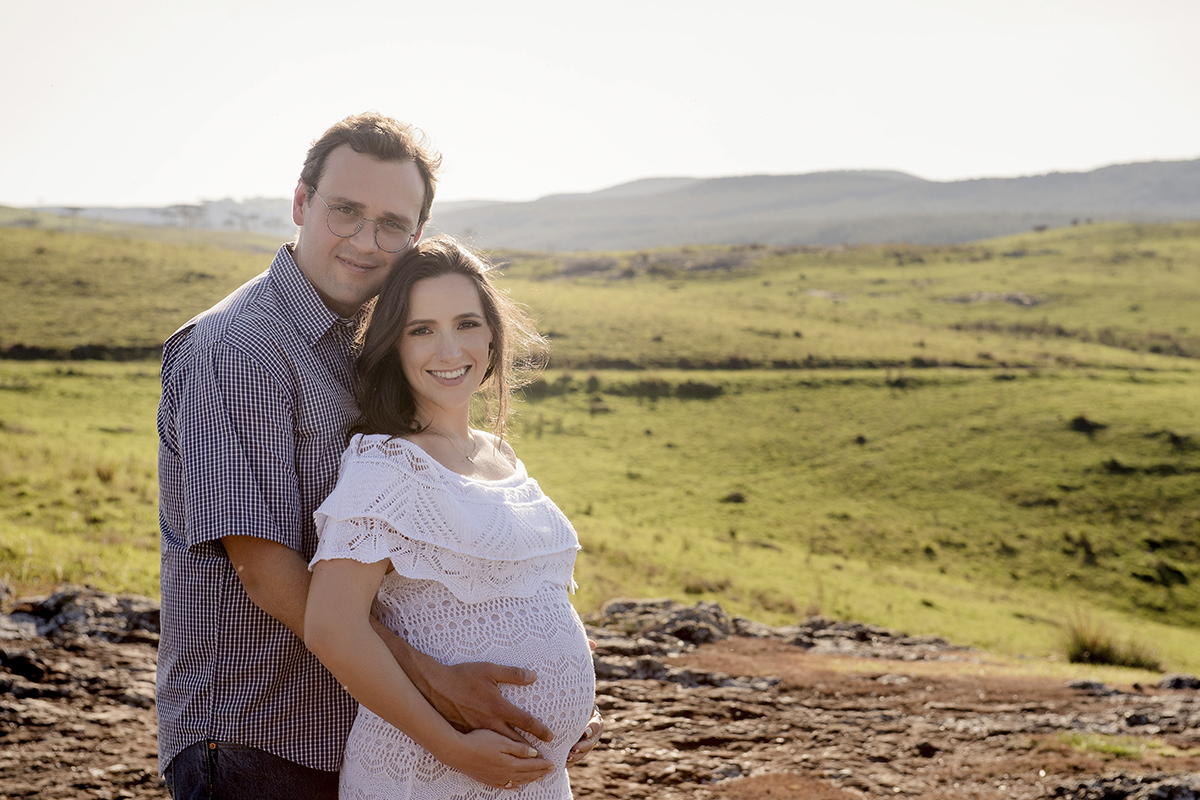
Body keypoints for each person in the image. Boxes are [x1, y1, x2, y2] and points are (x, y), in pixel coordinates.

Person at [156, 113, 600, 799]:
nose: (365, 240)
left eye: (391, 223)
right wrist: (434, 682)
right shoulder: (237, 350)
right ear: (302, 203)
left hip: (361, 728)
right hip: (261, 735)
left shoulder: (365, 346)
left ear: (415, 234)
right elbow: (266, 569)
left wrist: (545, 701)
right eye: (345, 211)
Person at [304, 235, 596, 799]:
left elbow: (535, 601)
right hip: (427, 773)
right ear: (394, 346)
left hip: (535, 778)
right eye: (421, 330)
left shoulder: (500, 456)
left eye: (466, 324)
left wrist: (577, 708)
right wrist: (451, 746)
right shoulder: (385, 465)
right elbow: (331, 627)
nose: (448, 349)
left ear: (492, 334)